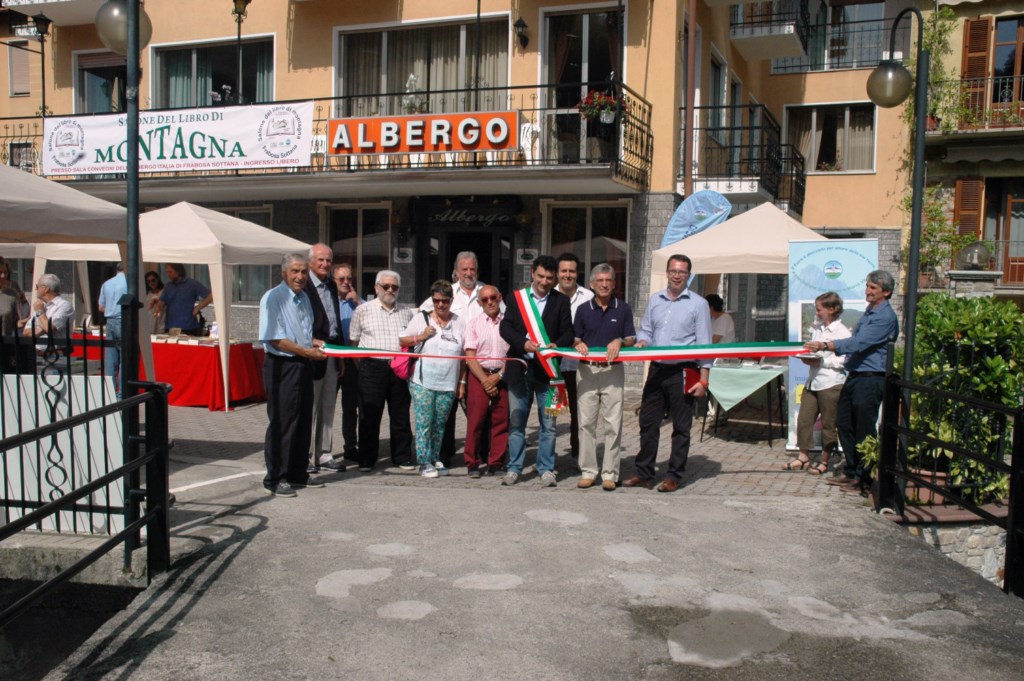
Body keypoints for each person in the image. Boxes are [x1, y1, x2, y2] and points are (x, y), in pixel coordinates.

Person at [806, 270, 898, 494]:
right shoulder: (870, 311)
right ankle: (852, 469)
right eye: (867, 286)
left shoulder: (885, 317)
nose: (867, 291)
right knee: (845, 423)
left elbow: (859, 342)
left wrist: (827, 346)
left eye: (873, 288)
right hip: (855, 375)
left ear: (886, 292)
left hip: (871, 378)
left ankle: (863, 478)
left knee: (864, 429)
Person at [627, 254, 711, 493]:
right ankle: (644, 473)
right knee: (647, 422)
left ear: (688, 275)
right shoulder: (655, 300)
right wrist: (643, 342)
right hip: (656, 369)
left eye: (682, 272)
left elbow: (705, 345)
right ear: (667, 272)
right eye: (673, 271)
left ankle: (674, 475)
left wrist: (704, 379)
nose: (677, 275)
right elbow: (646, 331)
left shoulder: (698, 304)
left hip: (684, 370)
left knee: (682, 427)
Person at [499, 255, 574, 487]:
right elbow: (505, 327)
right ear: (532, 273)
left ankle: (547, 468)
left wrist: (556, 345)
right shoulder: (516, 297)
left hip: (550, 373)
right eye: (541, 276)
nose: (544, 281)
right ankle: (514, 468)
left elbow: (568, 334)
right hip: (519, 370)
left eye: (549, 278)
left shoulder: (561, 300)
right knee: (516, 422)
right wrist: (522, 343)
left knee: (550, 424)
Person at [258, 253, 327, 497]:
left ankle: (298, 473)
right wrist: (307, 351)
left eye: (303, 272)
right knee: (283, 422)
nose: (300, 277)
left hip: (303, 363)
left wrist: (315, 344)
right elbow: (275, 338)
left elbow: (303, 333)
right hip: (282, 365)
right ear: (284, 273)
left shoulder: (304, 297)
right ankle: (276, 477)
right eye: (295, 271)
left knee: (303, 420)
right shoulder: (273, 297)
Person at [420, 251, 493, 467]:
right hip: (451, 363)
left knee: (479, 413)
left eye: (472, 269)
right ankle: (444, 455)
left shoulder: (487, 292)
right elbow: (422, 313)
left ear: (477, 271)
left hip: (479, 363)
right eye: (464, 269)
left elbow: (501, 318)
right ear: (456, 271)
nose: (468, 273)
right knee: (446, 412)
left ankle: (482, 453)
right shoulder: (446, 293)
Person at [572, 264, 635, 491]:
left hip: (612, 371)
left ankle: (610, 473)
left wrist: (620, 340)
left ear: (615, 284)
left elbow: (631, 338)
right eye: (600, 280)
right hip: (587, 371)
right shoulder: (582, 309)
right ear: (591, 284)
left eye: (608, 280)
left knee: (613, 424)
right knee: (586, 424)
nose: (604, 284)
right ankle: (588, 471)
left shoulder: (623, 309)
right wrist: (578, 344)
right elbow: (575, 338)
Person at [349, 269, 415, 472]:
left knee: (400, 415)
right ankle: (367, 459)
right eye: (385, 286)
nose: (390, 290)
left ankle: (402, 457)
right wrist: (366, 366)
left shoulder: (407, 312)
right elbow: (354, 342)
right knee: (369, 414)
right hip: (371, 367)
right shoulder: (363, 310)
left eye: (394, 287)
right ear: (376, 287)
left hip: (398, 367)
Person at [401, 280, 466, 478]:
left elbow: (464, 356)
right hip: (422, 381)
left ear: (451, 300)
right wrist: (420, 337)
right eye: (436, 300)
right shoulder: (421, 319)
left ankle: (436, 457)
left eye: (444, 301)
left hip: (447, 382)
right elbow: (402, 340)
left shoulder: (460, 322)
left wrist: (461, 382)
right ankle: (424, 461)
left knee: (440, 423)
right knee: (424, 422)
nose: (440, 305)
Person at [785, 292, 851, 475]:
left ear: (831, 309)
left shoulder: (842, 332)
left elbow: (845, 360)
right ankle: (803, 456)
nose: (817, 312)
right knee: (804, 419)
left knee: (828, 425)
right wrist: (807, 358)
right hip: (813, 381)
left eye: (819, 309)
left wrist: (822, 361)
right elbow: (813, 351)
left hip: (831, 383)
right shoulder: (818, 328)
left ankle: (824, 460)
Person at [303, 244, 345, 474]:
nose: (325, 264)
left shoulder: (330, 284)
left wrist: (341, 355)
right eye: (320, 260)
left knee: (328, 405)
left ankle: (324, 453)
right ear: (311, 261)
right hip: (313, 352)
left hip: (333, 350)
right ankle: (308, 456)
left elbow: (335, 317)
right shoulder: (303, 285)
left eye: (328, 260)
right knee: (312, 407)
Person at [462, 284, 510, 478]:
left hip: (503, 374)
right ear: (479, 303)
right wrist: (485, 380)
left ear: (499, 297)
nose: (489, 302)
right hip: (479, 374)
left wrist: (498, 376)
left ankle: (496, 463)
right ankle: (472, 463)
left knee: (501, 420)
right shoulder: (473, 323)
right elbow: (470, 354)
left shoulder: (509, 322)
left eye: (493, 297)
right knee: (476, 420)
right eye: (485, 299)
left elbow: (514, 352)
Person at [555, 252, 594, 465]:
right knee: (552, 410)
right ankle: (549, 454)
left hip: (580, 367)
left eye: (571, 271)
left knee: (580, 411)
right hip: (555, 367)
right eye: (563, 271)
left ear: (577, 273)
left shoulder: (589, 297)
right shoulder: (548, 296)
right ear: (558, 273)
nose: (567, 275)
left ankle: (579, 451)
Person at [333, 263, 362, 463]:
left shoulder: (359, 304)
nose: (346, 282)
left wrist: (358, 302)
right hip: (332, 359)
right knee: (324, 407)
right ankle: (319, 448)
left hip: (352, 361)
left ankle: (350, 446)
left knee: (351, 407)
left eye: (349, 278)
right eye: (341, 279)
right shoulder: (328, 302)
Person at [154, 263, 212, 335]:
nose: (168, 275)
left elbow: (211, 296)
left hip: (188, 327)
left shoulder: (192, 284)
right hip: (171, 327)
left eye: (170, 272)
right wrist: (158, 307)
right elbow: (162, 302)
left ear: (178, 271)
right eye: (167, 272)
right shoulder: (168, 286)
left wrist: (198, 307)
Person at [23, 273, 74, 351]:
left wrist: (40, 312)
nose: (36, 289)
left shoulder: (64, 306)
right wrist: (42, 329)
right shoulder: (41, 305)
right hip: (37, 353)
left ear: (46, 289)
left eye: (37, 286)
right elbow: (25, 333)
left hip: (56, 354)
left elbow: (50, 329)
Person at [97, 262, 127, 392]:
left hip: (109, 320)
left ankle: (109, 392)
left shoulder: (106, 284)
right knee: (125, 359)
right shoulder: (129, 282)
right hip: (123, 320)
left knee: (110, 358)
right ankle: (122, 393)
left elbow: (101, 307)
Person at [0, 257, 25, 336]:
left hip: (5, 344)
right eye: (0, 272)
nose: (3, 276)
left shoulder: (12, 294)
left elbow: (19, 320)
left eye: (5, 272)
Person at [144, 270, 165, 335]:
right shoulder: (147, 294)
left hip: (161, 323)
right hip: (149, 324)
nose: (151, 283)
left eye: (153, 280)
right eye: (149, 281)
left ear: (157, 279)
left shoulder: (164, 292)